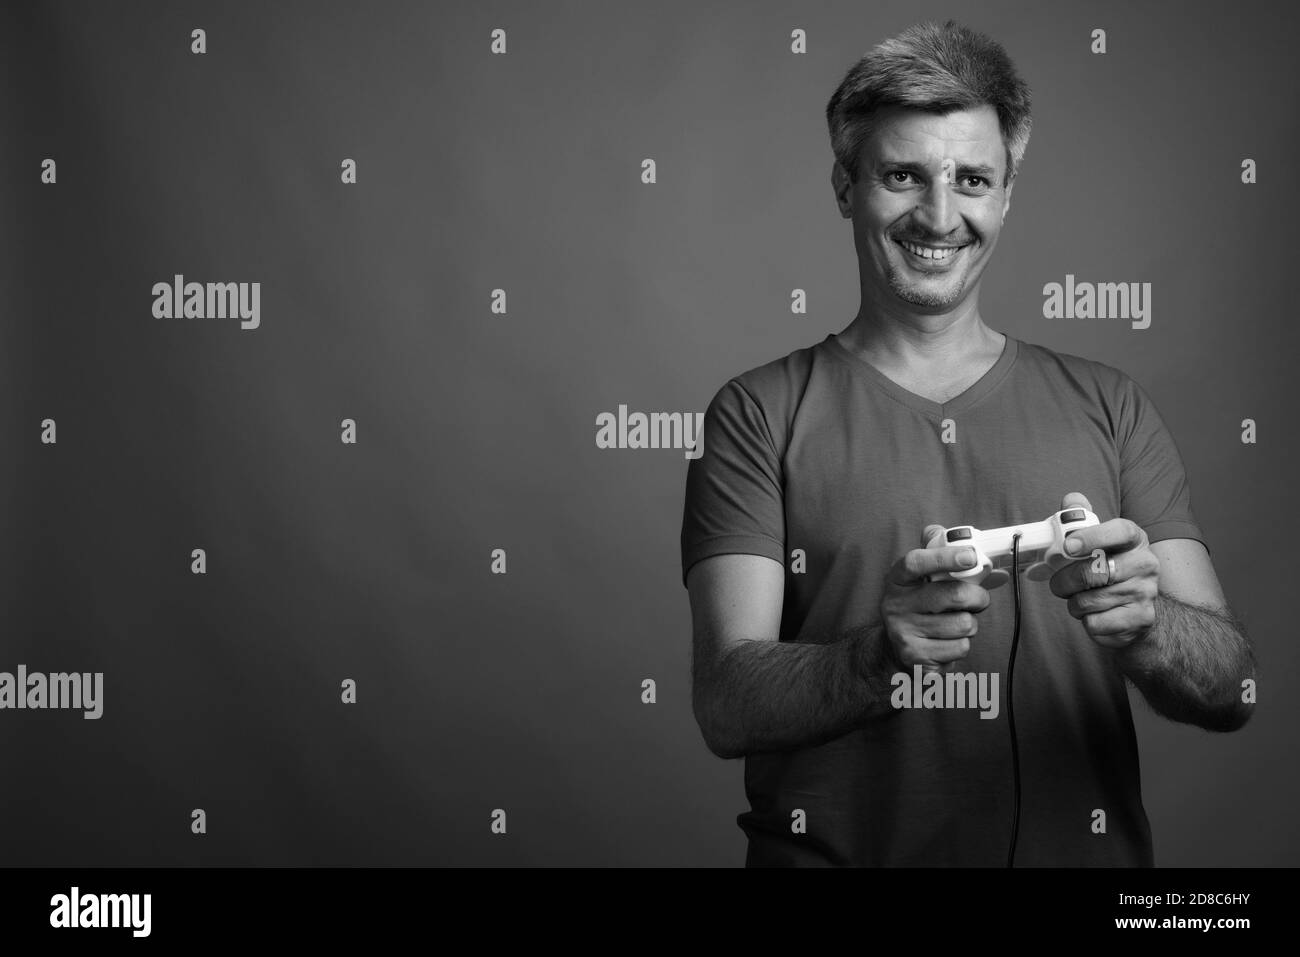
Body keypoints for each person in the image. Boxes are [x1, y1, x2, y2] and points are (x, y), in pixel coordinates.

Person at [680, 20, 1255, 867]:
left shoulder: (1111, 405)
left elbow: (1233, 690)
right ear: (846, 186)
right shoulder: (756, 414)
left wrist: (1147, 628)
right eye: (903, 174)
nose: (940, 216)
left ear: (1006, 195)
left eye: (973, 180)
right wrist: (883, 652)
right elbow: (726, 705)